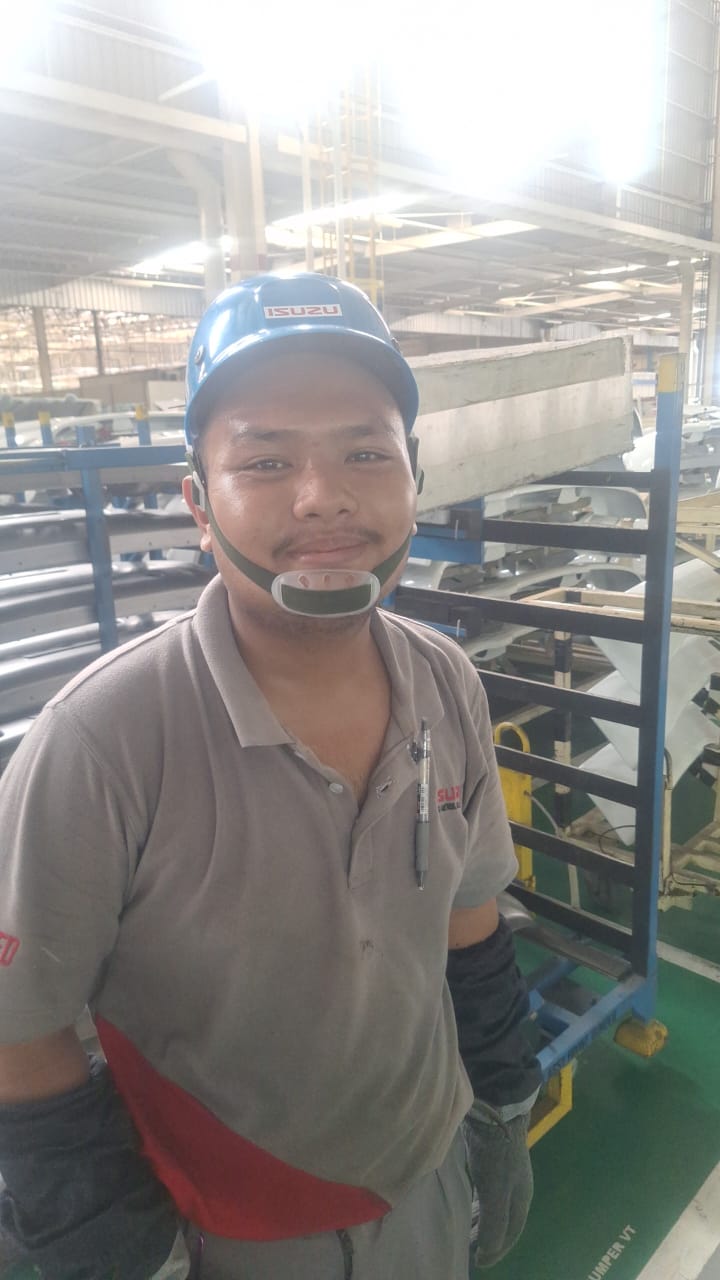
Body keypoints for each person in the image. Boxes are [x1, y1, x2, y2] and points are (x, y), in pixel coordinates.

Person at [0, 273, 541, 1280]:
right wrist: (122, 1249)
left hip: (427, 1182)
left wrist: (504, 1095)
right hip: (221, 1230)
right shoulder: (102, 742)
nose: (322, 495)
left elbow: (467, 917)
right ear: (199, 505)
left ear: (415, 478)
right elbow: (19, 1033)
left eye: (365, 452)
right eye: (265, 460)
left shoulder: (445, 681)